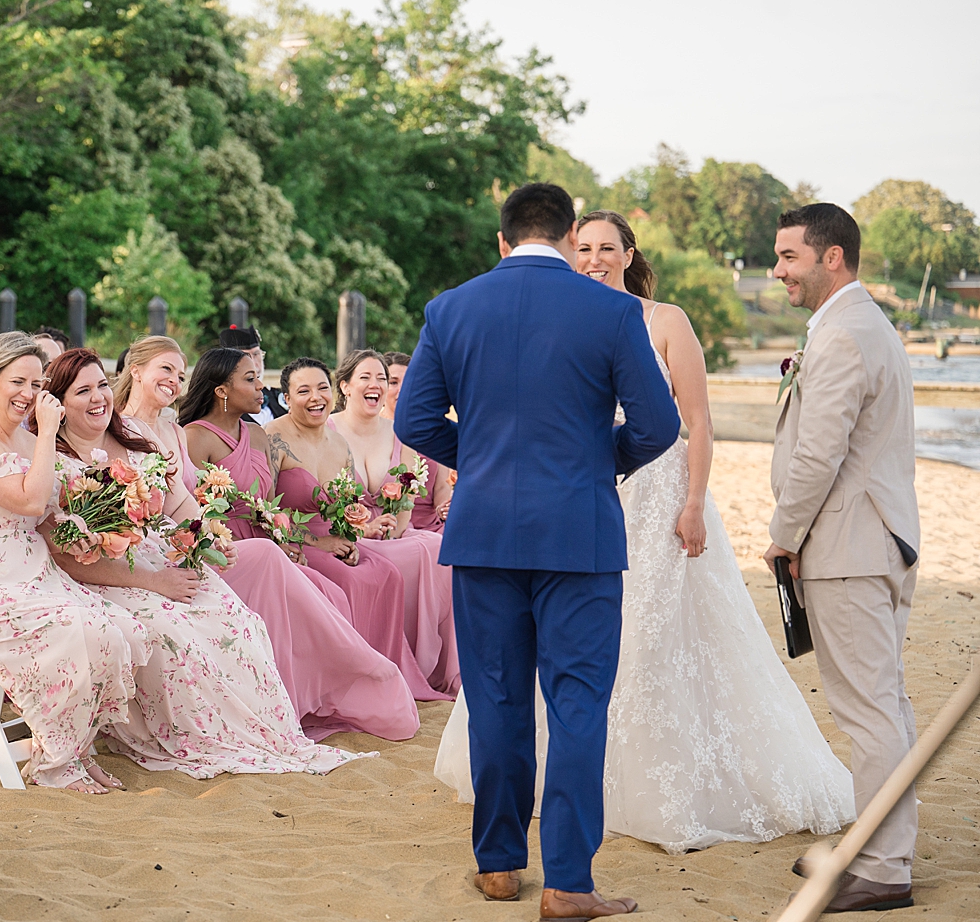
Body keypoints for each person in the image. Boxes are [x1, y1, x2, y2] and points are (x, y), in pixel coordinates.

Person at [434, 209, 857, 854]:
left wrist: (690, 502)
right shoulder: (570, 314)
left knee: (647, 646)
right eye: (585, 247)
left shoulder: (662, 320)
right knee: (585, 673)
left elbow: (694, 424)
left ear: (630, 255)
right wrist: (595, 466)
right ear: (566, 249)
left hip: (652, 501)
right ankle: (570, 853)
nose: (595, 258)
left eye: (609, 248)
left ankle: (555, 831)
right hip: (591, 504)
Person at [395, 183, 680, 917]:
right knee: (578, 705)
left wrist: (482, 458)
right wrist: (599, 458)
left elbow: (416, 417)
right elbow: (657, 427)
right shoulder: (613, 310)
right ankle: (567, 884)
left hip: (485, 530)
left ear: (501, 241)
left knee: (493, 697)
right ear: (565, 238)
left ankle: (496, 864)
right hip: (578, 533)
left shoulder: (450, 308)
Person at [40, 348, 367, 778]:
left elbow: (177, 501)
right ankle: (199, 737)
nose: (98, 397)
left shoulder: (134, 434)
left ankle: (260, 734)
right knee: (178, 633)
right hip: (105, 576)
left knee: (239, 622)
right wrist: (157, 582)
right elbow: (69, 557)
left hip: (161, 555)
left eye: (102, 384)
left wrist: (211, 537)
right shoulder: (53, 460)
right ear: (60, 403)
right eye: (82, 391)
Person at [130, 340, 419, 741]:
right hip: (222, 548)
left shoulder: (257, 435)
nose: (259, 389)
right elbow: (190, 511)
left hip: (270, 540)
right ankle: (282, 703)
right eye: (250, 380)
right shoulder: (196, 436)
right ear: (222, 391)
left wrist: (297, 543)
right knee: (314, 586)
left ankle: (309, 699)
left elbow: (269, 506)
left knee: (330, 593)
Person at [763, 203, 922, 912]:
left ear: (832, 258)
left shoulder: (847, 336)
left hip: (851, 547)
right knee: (883, 702)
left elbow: (819, 454)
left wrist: (784, 534)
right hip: (870, 539)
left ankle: (886, 867)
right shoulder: (853, 326)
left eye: (789, 256)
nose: (777, 270)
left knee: (868, 710)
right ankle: (877, 843)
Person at [0, 332, 147, 793]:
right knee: (82, 631)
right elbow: (29, 499)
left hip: (35, 571)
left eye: (37, 384)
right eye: (17, 382)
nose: (28, 394)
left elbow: (48, 510)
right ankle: (56, 761)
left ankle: (74, 750)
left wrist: (92, 524)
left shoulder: (25, 438)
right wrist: (44, 435)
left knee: (121, 630)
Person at [264, 358, 448, 703]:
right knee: (352, 580)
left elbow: (346, 507)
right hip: (295, 539)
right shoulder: (273, 437)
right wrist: (317, 542)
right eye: (303, 390)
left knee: (387, 575)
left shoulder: (338, 446)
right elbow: (266, 507)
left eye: (321, 388)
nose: (316, 396)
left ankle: (386, 675)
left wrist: (350, 538)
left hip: (336, 537)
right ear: (286, 398)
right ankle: (350, 684)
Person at [328, 350, 460, 698]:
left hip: (393, 534)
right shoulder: (327, 430)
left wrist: (392, 529)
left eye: (381, 379)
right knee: (400, 556)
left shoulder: (402, 433)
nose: (376, 385)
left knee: (433, 548)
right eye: (366, 378)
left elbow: (408, 498)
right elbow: (321, 501)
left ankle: (430, 665)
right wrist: (362, 530)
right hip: (345, 536)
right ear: (345, 386)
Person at [382, 351, 451, 531]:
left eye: (408, 383)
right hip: (390, 525)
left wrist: (446, 508)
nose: (402, 390)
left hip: (433, 525)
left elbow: (442, 490)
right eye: (393, 383)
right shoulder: (374, 432)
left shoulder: (432, 429)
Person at [218, 325, 283, 424]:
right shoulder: (220, 409)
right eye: (245, 356)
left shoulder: (278, 397)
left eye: (256, 354)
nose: (252, 362)